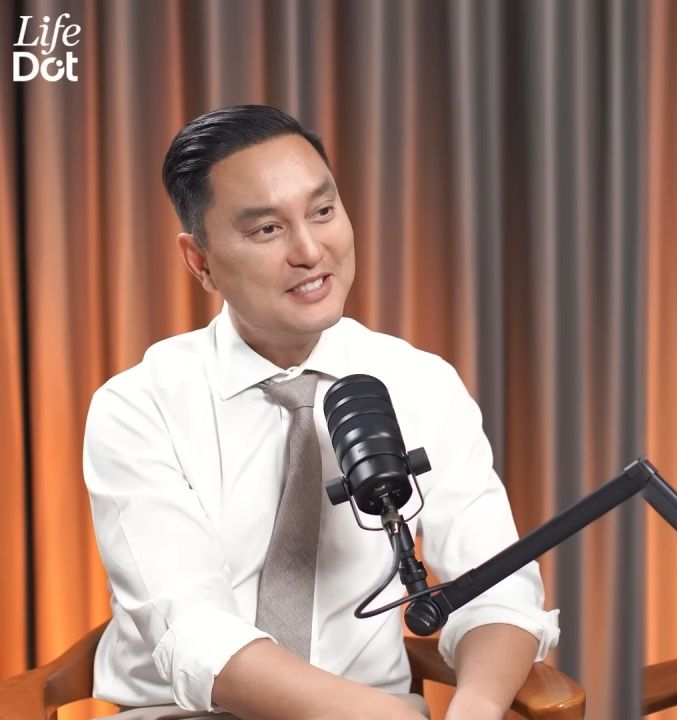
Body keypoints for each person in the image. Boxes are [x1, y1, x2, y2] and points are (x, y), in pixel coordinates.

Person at [83, 105, 559, 720]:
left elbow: (496, 586)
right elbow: (196, 633)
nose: (310, 251)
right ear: (200, 262)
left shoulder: (422, 382)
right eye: (267, 230)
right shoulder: (137, 407)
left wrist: (479, 706)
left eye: (323, 211)